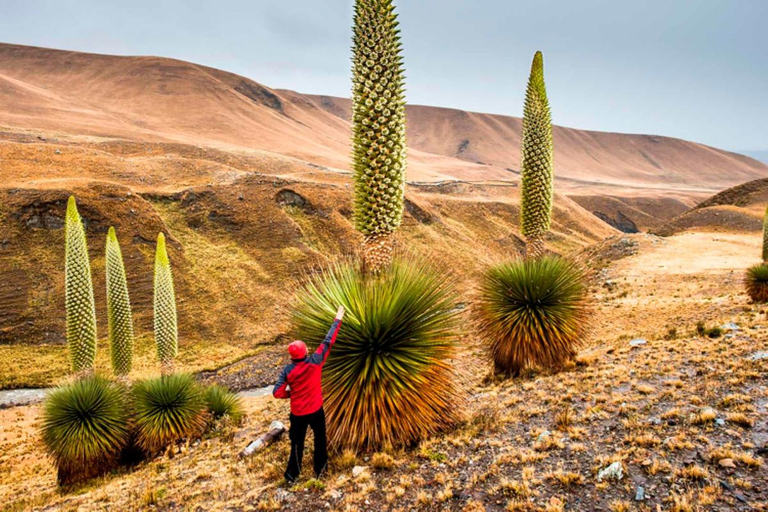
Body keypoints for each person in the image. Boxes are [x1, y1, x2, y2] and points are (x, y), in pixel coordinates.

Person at [272, 305, 345, 483]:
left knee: (297, 443)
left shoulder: (287, 371)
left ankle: (292, 475)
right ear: (305, 352)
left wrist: (292, 394)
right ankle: (321, 470)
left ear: (291, 356)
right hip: (315, 410)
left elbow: (277, 392)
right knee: (320, 439)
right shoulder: (316, 361)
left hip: (298, 414)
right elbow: (328, 342)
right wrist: (338, 319)